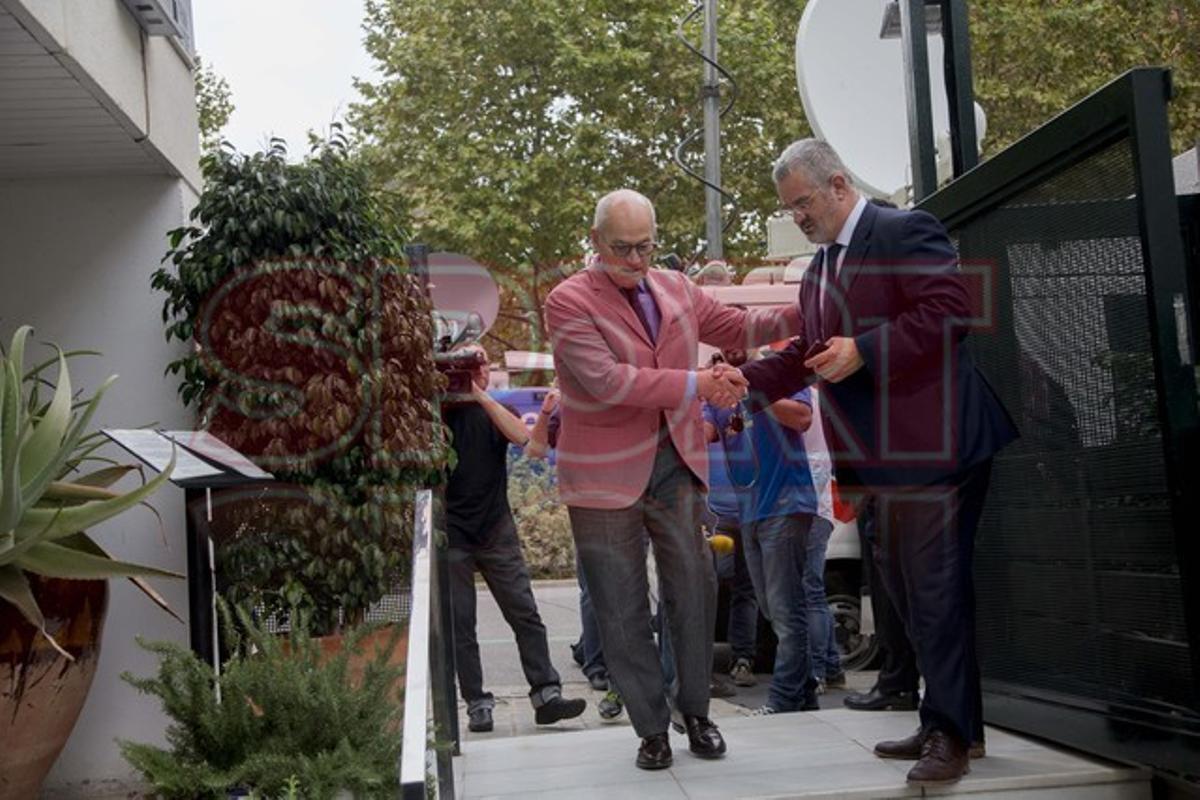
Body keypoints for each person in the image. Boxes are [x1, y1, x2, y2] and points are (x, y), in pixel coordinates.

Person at [735, 140, 1018, 786]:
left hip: (938, 449)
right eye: (789, 208)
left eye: (803, 203)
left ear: (838, 185)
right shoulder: (818, 271)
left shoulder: (904, 230)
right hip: (883, 465)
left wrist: (863, 349)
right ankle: (952, 721)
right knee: (909, 595)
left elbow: (950, 310)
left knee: (933, 590)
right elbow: (806, 353)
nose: (798, 217)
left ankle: (949, 735)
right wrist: (741, 384)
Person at [543, 189, 802, 770]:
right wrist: (697, 385)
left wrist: (807, 308)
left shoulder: (678, 288)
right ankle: (651, 729)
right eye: (622, 248)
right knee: (620, 606)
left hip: (677, 461)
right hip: (604, 473)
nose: (636, 259)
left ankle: (697, 714)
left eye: (646, 246)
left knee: (696, 587)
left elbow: (740, 324)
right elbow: (607, 381)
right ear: (595, 240)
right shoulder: (567, 300)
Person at [440, 348, 587, 734]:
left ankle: (546, 695)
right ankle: (477, 703)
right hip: (452, 531)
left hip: (495, 528)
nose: (482, 374)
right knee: (461, 624)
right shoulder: (436, 415)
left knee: (525, 613)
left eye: (481, 370)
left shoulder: (494, 410)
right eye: (476, 369)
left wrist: (480, 397)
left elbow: (526, 440)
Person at [705, 366, 820, 715]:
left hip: (786, 504)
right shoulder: (716, 393)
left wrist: (752, 392)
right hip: (749, 511)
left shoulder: (777, 373)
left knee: (785, 610)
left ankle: (784, 697)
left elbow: (802, 418)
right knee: (771, 608)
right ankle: (805, 690)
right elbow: (703, 433)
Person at [528, 388, 625, 721]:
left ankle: (619, 675)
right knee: (594, 590)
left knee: (627, 594)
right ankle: (596, 664)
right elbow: (537, 448)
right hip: (588, 503)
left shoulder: (620, 394)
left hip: (627, 500)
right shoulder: (564, 406)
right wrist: (546, 412)